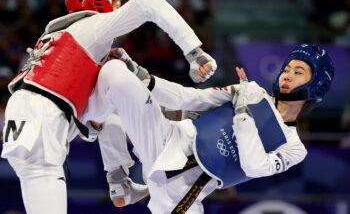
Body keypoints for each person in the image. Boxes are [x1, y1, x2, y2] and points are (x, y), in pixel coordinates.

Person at [0, 0, 217, 214]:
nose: (121, 6)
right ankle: (118, 181)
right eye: (118, 0)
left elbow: (109, 90)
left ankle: (119, 182)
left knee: (114, 79)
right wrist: (194, 52)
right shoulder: (91, 27)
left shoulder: (66, 37)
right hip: (41, 116)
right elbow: (147, 0)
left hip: (45, 110)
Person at [81, 44, 334, 213]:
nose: (287, 75)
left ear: (316, 86)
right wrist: (140, 74)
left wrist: (243, 112)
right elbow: (188, 98)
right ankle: (119, 181)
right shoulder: (252, 91)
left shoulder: (294, 148)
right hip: (167, 138)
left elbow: (253, 165)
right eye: (287, 68)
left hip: (184, 195)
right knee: (114, 75)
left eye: (298, 71)